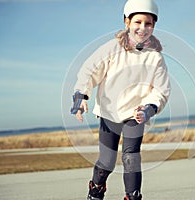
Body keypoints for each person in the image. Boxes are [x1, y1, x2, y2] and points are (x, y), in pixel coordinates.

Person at [70, 0, 170, 199]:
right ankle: (96, 191)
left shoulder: (155, 57)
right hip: (109, 111)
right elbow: (90, 71)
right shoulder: (112, 48)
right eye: (138, 22)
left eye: (148, 23)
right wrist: (81, 96)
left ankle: (133, 196)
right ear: (127, 22)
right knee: (106, 161)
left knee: (131, 157)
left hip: (136, 113)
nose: (143, 27)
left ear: (154, 25)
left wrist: (149, 108)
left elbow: (161, 89)